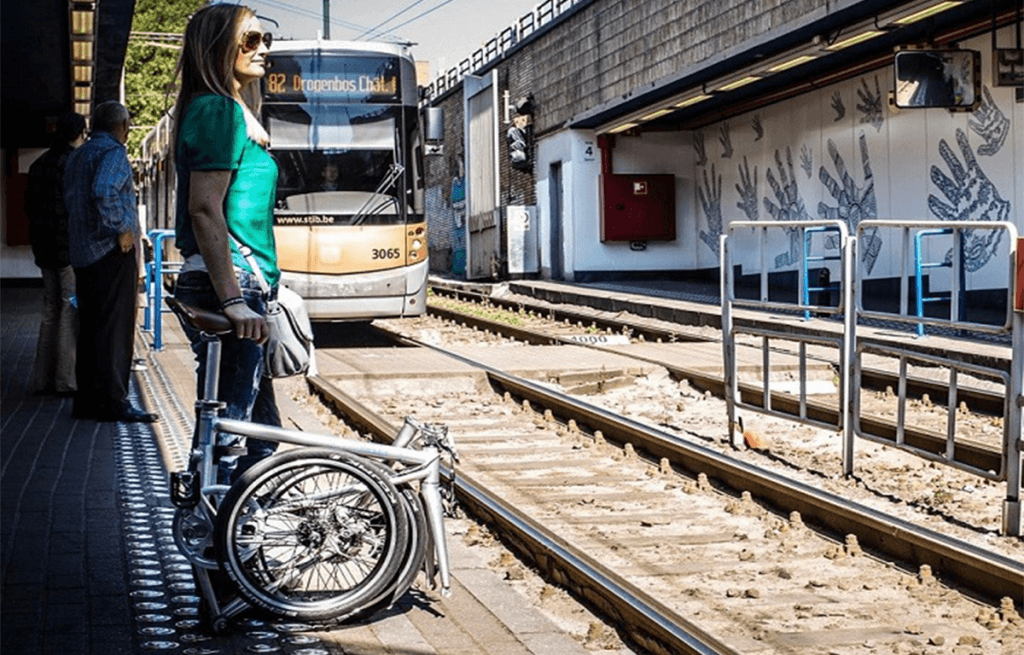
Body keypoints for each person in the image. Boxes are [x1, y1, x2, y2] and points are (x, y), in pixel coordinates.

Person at [170, 3, 280, 483]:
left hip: (236, 281)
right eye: (250, 40)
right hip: (230, 283)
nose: (263, 50)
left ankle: (232, 537)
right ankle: (221, 541)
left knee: (258, 436)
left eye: (265, 39)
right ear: (218, 48)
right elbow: (203, 207)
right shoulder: (217, 110)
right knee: (231, 441)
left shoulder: (225, 109)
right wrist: (234, 299)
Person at [64, 101, 158, 423]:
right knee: (115, 332)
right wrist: (121, 230)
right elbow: (104, 190)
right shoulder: (113, 153)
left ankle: (87, 402)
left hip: (82, 254)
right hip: (109, 254)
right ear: (124, 126)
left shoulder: (78, 155)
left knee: (90, 329)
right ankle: (115, 402)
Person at [24, 112, 86, 396]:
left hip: (44, 251)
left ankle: (41, 380)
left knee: (50, 311)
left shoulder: (38, 165)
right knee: (69, 311)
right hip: (68, 252)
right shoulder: (73, 163)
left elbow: (29, 209)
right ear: (79, 133)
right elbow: (78, 209)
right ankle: (65, 381)